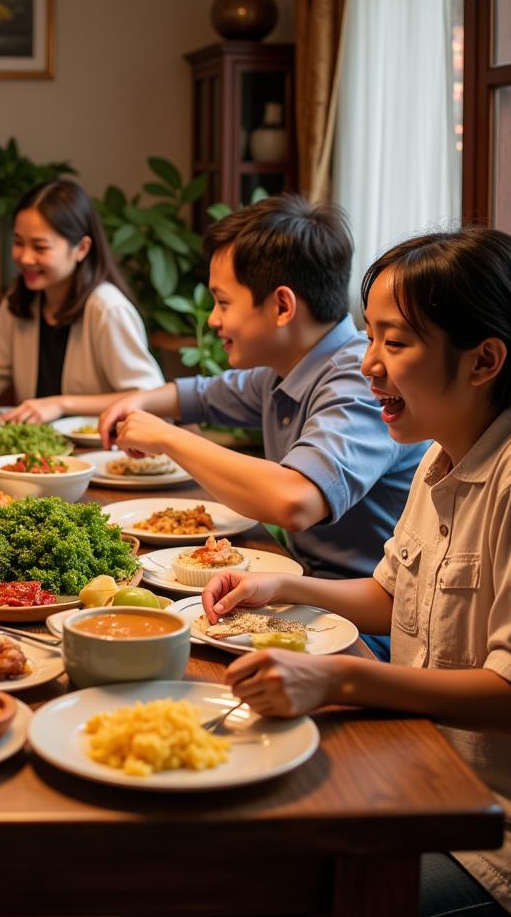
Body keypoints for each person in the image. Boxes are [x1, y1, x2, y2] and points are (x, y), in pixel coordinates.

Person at [181, 228, 511, 917]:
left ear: (484, 360)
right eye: (371, 338)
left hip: (510, 847)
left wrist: (342, 680)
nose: (370, 366)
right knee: (187, 892)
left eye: (395, 342)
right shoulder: (442, 453)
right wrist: (283, 588)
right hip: (425, 775)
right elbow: (393, 599)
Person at [99, 195, 427, 658]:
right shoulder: (289, 367)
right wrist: (130, 404)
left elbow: (294, 501)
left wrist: (166, 436)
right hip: (303, 591)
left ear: (281, 306)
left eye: (222, 301)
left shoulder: (358, 379)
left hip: (368, 628)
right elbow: (198, 394)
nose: (213, 319)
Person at [0, 178, 165, 423]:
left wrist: (62, 404)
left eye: (40, 247)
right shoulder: (19, 301)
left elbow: (149, 400)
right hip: (39, 454)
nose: (25, 258)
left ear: (82, 248)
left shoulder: (108, 308)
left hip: (106, 454)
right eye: (19, 242)